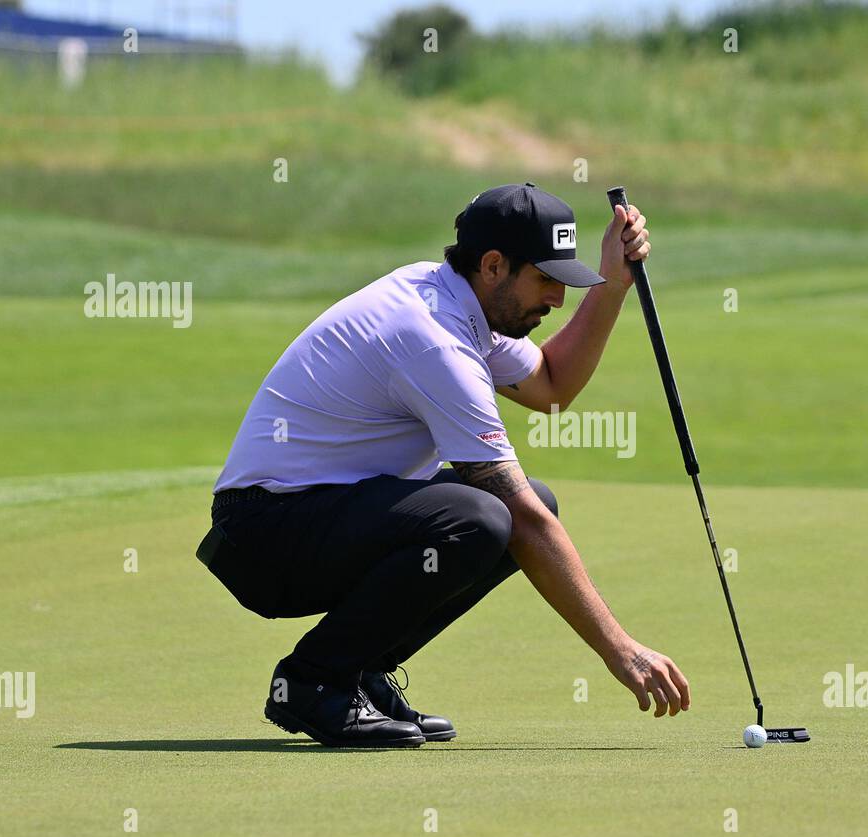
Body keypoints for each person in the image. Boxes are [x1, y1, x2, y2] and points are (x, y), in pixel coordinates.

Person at [196, 182, 691, 747]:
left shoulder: (459, 300)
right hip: (263, 535)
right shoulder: (433, 340)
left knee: (521, 505)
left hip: (312, 516)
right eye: (546, 279)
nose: (556, 299)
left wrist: (614, 285)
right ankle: (315, 682)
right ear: (493, 265)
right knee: (483, 519)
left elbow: (553, 386)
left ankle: (359, 671)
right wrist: (620, 649)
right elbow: (519, 519)